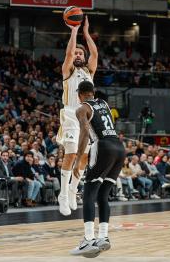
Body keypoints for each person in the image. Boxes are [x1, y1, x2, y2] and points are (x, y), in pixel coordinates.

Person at [70, 81, 125, 257]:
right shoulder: (104, 103)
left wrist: (78, 158)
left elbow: (85, 131)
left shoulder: (81, 109)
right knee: (103, 194)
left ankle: (88, 240)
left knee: (89, 192)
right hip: (119, 148)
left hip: (102, 146)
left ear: (79, 94)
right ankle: (103, 237)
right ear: (93, 92)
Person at [56, 16, 98, 216]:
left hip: (86, 117)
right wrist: (74, 29)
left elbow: (95, 54)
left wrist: (87, 33)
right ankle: (63, 194)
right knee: (71, 153)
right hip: (70, 115)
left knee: (85, 156)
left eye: (81, 52)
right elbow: (69, 52)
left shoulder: (89, 71)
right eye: (77, 53)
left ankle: (73, 190)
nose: (78, 54)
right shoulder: (68, 70)